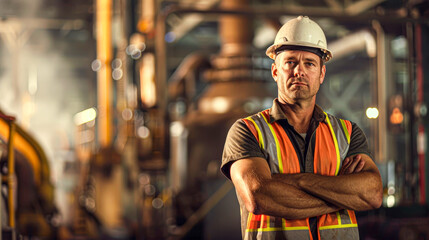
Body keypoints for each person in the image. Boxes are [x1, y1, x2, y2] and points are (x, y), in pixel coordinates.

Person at [221, 16, 383, 240]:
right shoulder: (247, 131)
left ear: (321, 74)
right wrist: (342, 194)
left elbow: (373, 193)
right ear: (275, 71)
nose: (299, 71)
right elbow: (260, 197)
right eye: (290, 62)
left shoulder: (347, 133)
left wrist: (297, 181)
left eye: (309, 63)